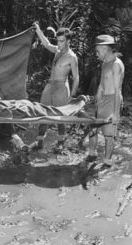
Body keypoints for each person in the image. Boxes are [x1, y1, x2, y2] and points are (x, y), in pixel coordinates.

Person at [32, 22, 79, 150]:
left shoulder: (72, 57)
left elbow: (76, 77)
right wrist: (38, 30)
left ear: (68, 40)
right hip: (50, 85)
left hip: (62, 87)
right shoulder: (57, 50)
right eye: (58, 41)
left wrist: (72, 96)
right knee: (43, 114)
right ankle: (39, 142)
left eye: (62, 41)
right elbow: (47, 44)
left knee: (60, 117)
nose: (59, 44)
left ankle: (60, 144)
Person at [85, 34, 125, 168]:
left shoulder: (116, 65)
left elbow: (117, 90)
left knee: (109, 135)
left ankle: (107, 161)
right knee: (93, 128)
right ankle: (92, 153)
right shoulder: (105, 63)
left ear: (104, 48)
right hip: (102, 101)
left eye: (97, 50)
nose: (96, 54)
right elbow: (102, 84)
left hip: (112, 99)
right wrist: (97, 98)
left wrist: (116, 113)